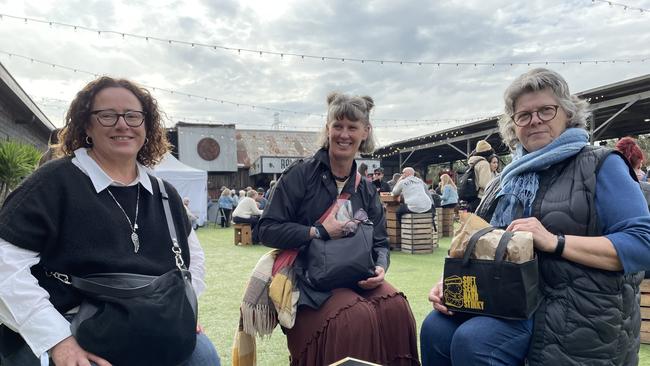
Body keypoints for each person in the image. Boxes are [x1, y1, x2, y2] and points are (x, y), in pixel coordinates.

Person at [420, 68, 650, 366]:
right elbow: (480, 244)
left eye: (546, 110)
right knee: (434, 328)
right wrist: (449, 283)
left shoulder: (599, 164)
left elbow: (642, 244)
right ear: (513, 125)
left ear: (567, 114)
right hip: (507, 296)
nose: (535, 120)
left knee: (475, 340)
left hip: (574, 306)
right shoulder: (505, 178)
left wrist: (555, 241)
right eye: (524, 115)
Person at [0, 76, 220, 365]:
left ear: (146, 125)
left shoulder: (165, 195)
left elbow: (193, 261)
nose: (122, 124)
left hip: (152, 321)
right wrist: (57, 340)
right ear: (86, 125)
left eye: (133, 115)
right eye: (107, 115)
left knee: (203, 357)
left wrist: (181, 311)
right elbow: (5, 267)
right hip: (71, 324)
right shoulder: (53, 184)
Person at [258, 92, 419, 365]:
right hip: (307, 279)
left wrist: (380, 267)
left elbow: (380, 242)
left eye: (352, 127)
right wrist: (317, 231)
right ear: (327, 129)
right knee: (353, 318)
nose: (344, 134)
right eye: (338, 125)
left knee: (396, 309)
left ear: (365, 132)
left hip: (357, 273)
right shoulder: (300, 175)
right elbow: (267, 229)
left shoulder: (366, 188)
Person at [463, 140, 494, 212]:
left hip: (471, 198)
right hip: (480, 198)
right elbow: (484, 184)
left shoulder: (472, 162)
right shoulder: (484, 164)